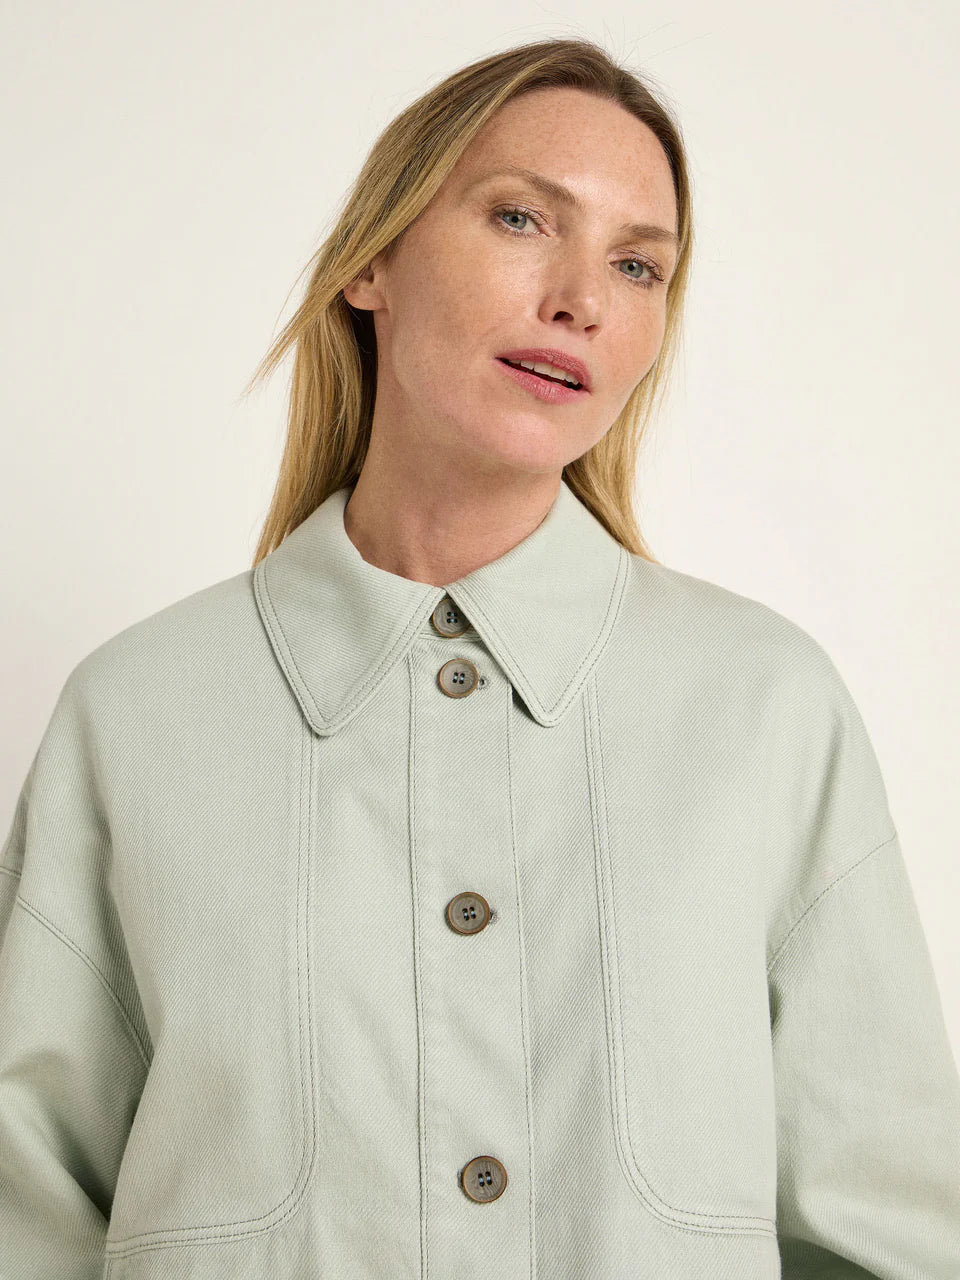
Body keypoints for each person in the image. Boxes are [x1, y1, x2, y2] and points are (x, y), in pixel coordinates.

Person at [1, 35, 958, 1280]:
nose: (583, 299)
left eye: (637, 264)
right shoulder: (136, 716)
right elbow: (27, 1210)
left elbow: (889, 1236)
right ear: (371, 261)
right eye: (521, 218)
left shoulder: (765, 709)